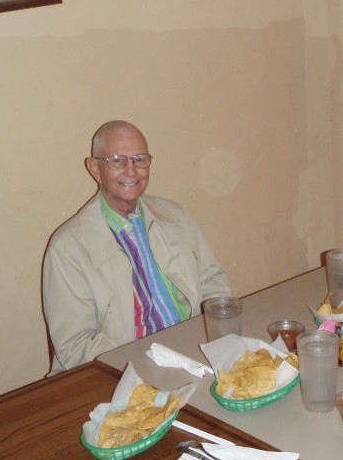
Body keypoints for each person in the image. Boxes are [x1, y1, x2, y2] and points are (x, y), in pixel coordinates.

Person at [43, 121, 231, 374]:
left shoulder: (175, 217)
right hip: (123, 373)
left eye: (140, 159)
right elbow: (75, 346)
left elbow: (213, 282)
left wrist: (216, 341)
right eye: (117, 161)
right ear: (95, 169)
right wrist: (154, 361)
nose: (131, 171)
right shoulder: (68, 248)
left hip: (194, 356)